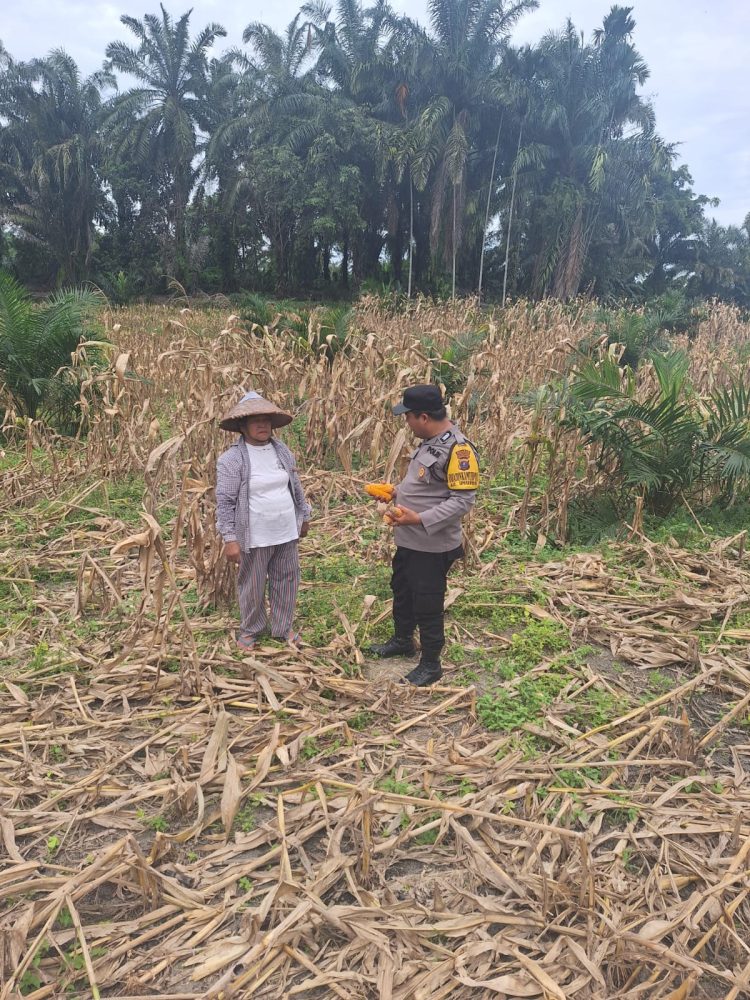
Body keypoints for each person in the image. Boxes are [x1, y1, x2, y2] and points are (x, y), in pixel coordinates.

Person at [370, 384, 479, 686]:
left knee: (427, 602)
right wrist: (395, 492)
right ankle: (403, 640)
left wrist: (419, 518)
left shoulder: (459, 450)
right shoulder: (431, 441)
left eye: (408, 417)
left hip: (431, 545)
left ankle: (431, 663)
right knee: (402, 590)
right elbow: (425, 485)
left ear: (423, 417)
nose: (406, 423)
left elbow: (462, 502)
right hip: (409, 540)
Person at [216, 391, 311, 651]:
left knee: (287, 579)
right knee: (252, 585)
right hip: (255, 534)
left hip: (285, 529)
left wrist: (304, 515)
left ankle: (283, 627)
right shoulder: (232, 460)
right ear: (242, 426)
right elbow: (225, 502)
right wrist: (230, 538)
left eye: (266, 420)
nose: (262, 425)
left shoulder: (282, 451)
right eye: (255, 421)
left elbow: (295, 486)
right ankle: (251, 628)